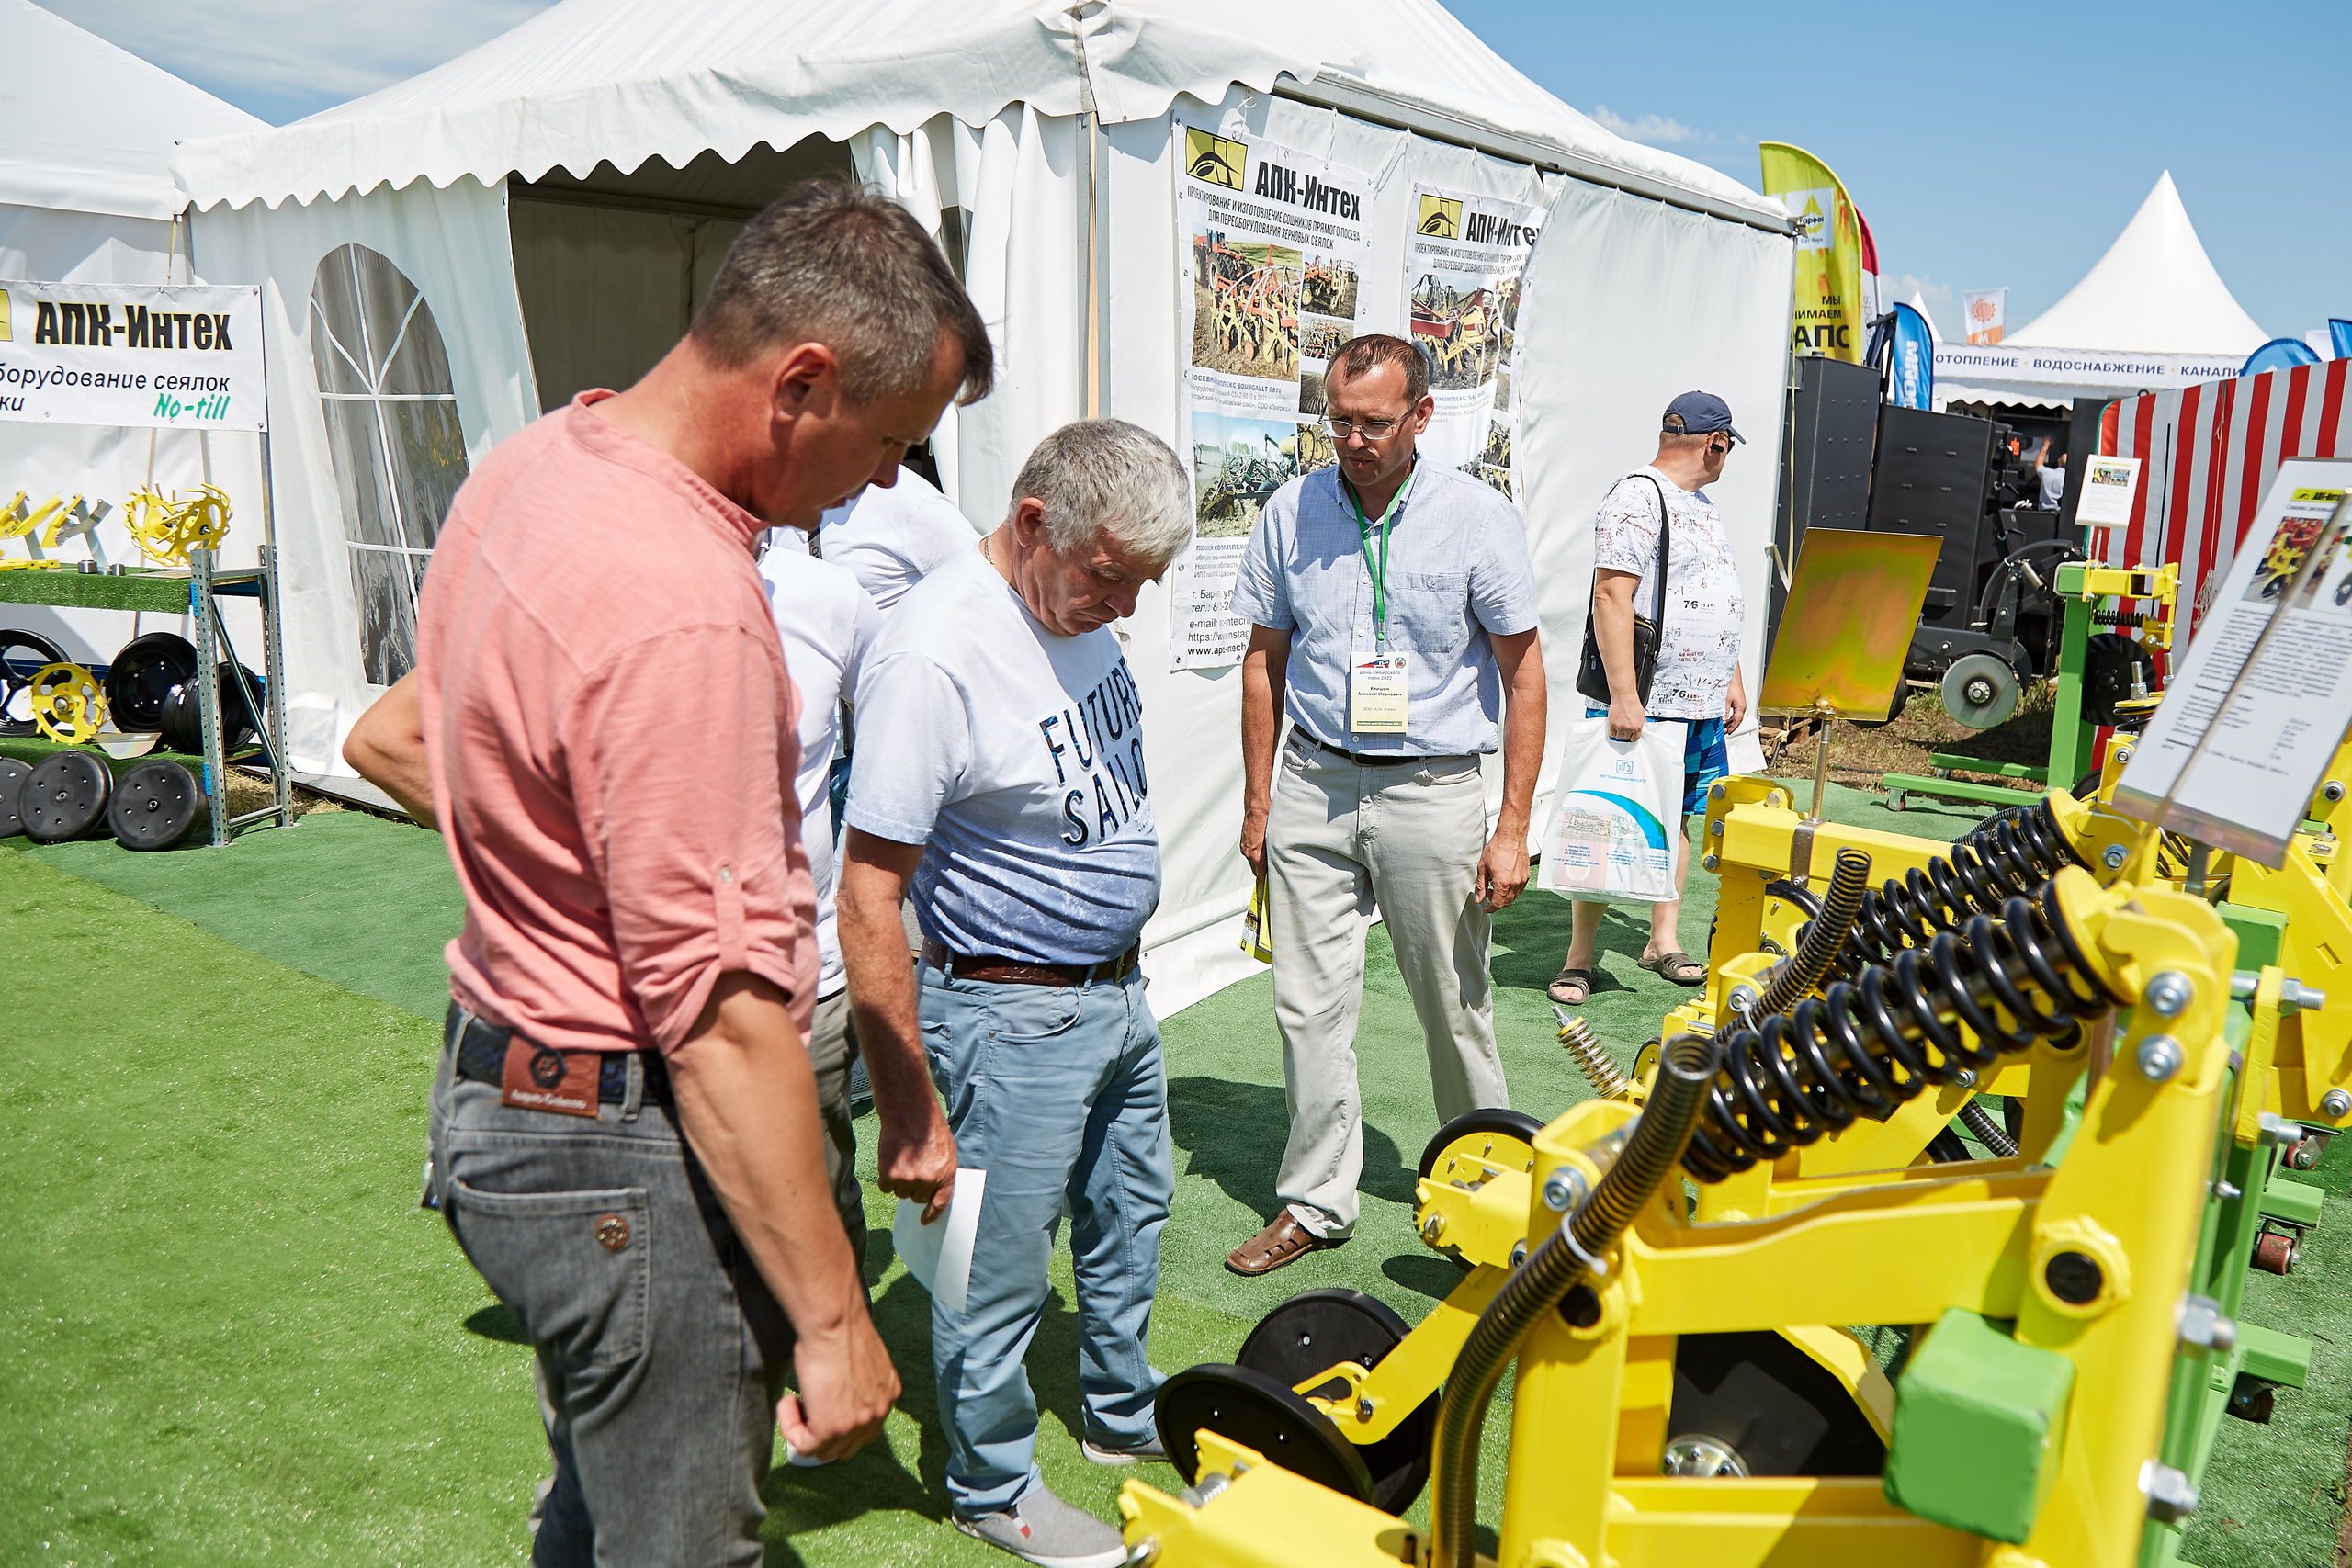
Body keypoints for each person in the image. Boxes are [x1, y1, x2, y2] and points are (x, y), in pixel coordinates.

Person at [398, 180, 989, 1565]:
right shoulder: (684, 605)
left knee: (598, 1497)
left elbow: (432, 731)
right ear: (802, 382)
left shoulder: (539, 460)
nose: (891, 481)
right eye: (892, 438)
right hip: (614, 1140)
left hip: (499, 1088)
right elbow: (724, 1025)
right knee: (682, 1543)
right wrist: (839, 1324)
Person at [837, 419, 1192, 1568]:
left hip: (1115, 995)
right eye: (1111, 577)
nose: (1127, 607)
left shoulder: (1066, 602)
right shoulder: (935, 651)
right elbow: (867, 894)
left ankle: (1121, 1415)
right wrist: (905, 1099)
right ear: (1034, 523)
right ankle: (991, 1486)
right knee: (990, 1270)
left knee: (1130, 1215)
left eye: (1143, 582)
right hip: (1002, 1012)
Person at [1225, 333, 1547, 1279]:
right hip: (1313, 785)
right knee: (1306, 1007)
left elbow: (1523, 676)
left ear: (1421, 417)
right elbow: (1261, 661)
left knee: (1452, 1004)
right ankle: (1315, 1202)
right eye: (1339, 421)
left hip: (1431, 786)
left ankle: (1486, 1196)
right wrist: (1257, 804)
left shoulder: (1476, 519)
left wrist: (1514, 827)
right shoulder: (1291, 511)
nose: (1353, 440)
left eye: (1373, 422)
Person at [1549, 391, 1749, 1008]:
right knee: (1605, 816)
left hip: (1697, 703)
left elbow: (1705, 590)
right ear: (1716, 444)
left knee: (1681, 813)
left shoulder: (1703, 506)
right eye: (1726, 448)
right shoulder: (1637, 495)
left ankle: (1661, 940)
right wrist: (1624, 695)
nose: (1725, 458)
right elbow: (1612, 596)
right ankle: (1580, 955)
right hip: (1649, 698)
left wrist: (1730, 674)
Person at [756, 546, 883, 1285]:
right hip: (660, 987)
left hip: (810, 978)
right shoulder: (605, 576)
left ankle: (836, 1336)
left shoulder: (827, 595)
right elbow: (396, 741)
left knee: (821, 1183)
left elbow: (904, 724)